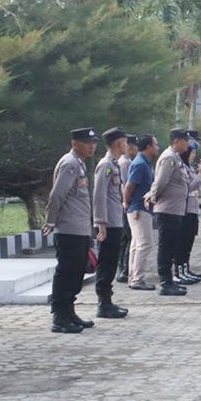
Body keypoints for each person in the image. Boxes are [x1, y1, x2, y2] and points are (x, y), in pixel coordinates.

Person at [43, 127, 100, 334]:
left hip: (79, 229)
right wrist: (50, 221)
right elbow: (57, 194)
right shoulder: (70, 164)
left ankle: (69, 312)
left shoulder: (79, 164)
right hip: (68, 229)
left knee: (76, 273)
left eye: (94, 143)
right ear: (75, 144)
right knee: (66, 272)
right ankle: (60, 316)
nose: (91, 146)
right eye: (87, 142)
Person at [145, 128, 194, 296]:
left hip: (175, 210)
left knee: (171, 247)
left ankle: (170, 280)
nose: (188, 144)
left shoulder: (176, 158)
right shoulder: (169, 158)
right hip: (167, 210)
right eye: (185, 140)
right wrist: (153, 198)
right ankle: (165, 282)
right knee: (166, 247)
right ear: (177, 141)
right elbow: (160, 183)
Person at [90, 127, 130, 320]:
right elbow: (99, 196)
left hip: (115, 221)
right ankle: (103, 303)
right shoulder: (105, 165)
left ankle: (108, 301)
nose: (128, 145)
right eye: (125, 142)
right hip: (108, 224)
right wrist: (100, 224)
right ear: (118, 144)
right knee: (106, 264)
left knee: (112, 263)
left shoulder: (113, 165)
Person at [124, 135, 160, 292]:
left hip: (139, 208)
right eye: (156, 145)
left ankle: (133, 276)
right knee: (145, 244)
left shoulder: (144, 163)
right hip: (139, 209)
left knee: (136, 245)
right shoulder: (140, 164)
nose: (157, 148)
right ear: (148, 146)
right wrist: (127, 204)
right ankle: (138, 279)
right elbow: (129, 186)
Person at [176, 131, 201, 285]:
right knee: (182, 243)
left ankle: (185, 268)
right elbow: (188, 187)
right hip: (185, 210)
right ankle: (179, 270)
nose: (194, 154)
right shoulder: (182, 167)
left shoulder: (189, 167)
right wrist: (200, 174)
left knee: (188, 242)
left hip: (192, 209)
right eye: (192, 151)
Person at [115, 135, 137, 284]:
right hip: (124, 206)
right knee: (128, 238)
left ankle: (124, 268)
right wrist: (126, 203)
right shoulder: (125, 163)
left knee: (127, 238)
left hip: (124, 205)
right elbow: (125, 186)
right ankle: (124, 269)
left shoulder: (128, 162)